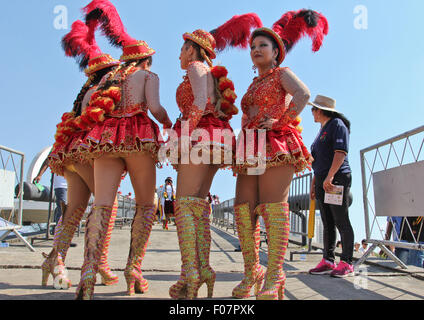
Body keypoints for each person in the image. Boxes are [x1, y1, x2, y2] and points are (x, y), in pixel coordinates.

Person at [73, 0, 172, 299]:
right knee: (144, 205)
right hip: (138, 137)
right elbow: (154, 107)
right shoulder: (147, 76)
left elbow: (86, 110)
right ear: (146, 61)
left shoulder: (103, 83)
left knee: (102, 205)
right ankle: (134, 270)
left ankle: (88, 273)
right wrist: (169, 123)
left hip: (105, 140)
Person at [232, 10, 328, 300]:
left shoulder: (281, 74)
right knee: (243, 210)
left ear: (276, 53)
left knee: (274, 208)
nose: (256, 50)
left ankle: (275, 275)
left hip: (277, 143)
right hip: (250, 147)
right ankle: (252, 272)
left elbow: (303, 94)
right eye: (253, 46)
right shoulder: (251, 85)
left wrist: (281, 121)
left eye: (263, 45)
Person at [168, 14, 262, 300]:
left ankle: (191, 273)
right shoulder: (210, 73)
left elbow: (198, 103)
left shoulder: (197, 67)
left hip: (198, 135)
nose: (180, 53)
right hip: (213, 137)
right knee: (197, 205)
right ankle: (202, 269)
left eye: (183, 47)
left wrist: (183, 135)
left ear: (193, 50)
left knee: (183, 205)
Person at [40, 18, 121, 290]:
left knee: (74, 210)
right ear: (108, 72)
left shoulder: (86, 91)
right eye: (115, 70)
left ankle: (55, 259)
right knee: (107, 205)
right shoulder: (104, 90)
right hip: (87, 153)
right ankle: (99, 263)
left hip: (71, 154)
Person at [308, 94, 354, 278]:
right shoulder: (321, 130)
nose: (311, 112)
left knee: (340, 219)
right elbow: (318, 160)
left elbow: (340, 152)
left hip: (336, 177)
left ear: (319, 110)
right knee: (327, 221)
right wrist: (315, 183)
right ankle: (328, 260)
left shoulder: (337, 125)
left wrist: (330, 176)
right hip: (321, 179)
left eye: (313, 109)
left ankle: (347, 262)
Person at [34, 158, 69, 236]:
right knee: (63, 208)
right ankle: (60, 235)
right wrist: (39, 175)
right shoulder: (57, 147)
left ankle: (56, 229)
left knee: (66, 208)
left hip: (73, 183)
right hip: (61, 184)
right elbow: (47, 161)